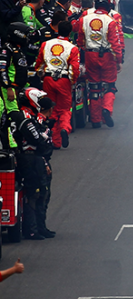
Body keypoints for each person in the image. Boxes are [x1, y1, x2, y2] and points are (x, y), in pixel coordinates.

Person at [76, 0, 123, 129]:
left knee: (94, 88)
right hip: (107, 56)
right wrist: (119, 60)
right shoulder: (111, 21)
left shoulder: (84, 19)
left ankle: (95, 120)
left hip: (90, 55)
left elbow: (80, 40)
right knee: (110, 85)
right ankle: (106, 110)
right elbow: (116, 43)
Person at [10, 88, 53, 240]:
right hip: (27, 158)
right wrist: (44, 143)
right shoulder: (24, 117)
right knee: (33, 194)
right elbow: (37, 139)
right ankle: (32, 230)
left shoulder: (31, 116)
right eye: (39, 100)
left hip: (35, 158)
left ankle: (41, 228)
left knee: (42, 193)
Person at [35, 21, 77, 149]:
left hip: (48, 79)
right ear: (69, 33)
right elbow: (74, 68)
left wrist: (41, 75)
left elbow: (39, 64)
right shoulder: (72, 48)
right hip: (64, 81)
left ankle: (55, 141)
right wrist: (72, 81)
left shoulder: (45, 44)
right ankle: (64, 128)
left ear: (57, 30)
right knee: (64, 109)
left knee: (50, 109)